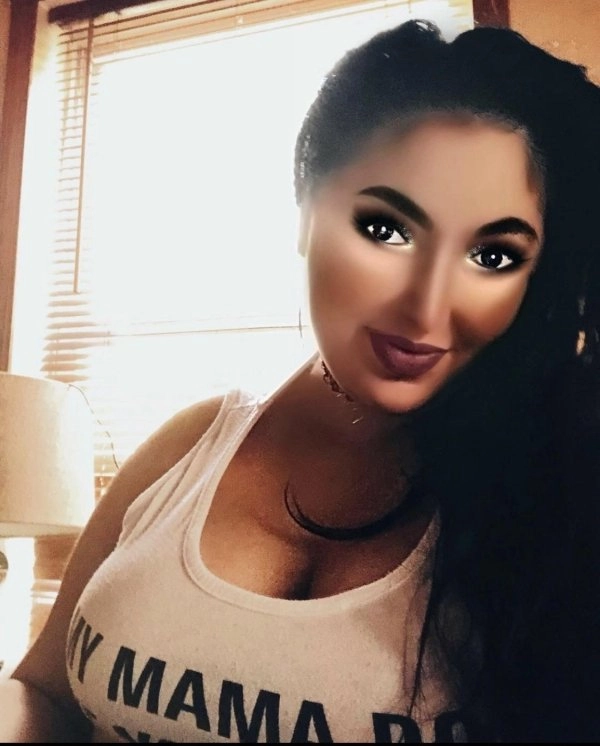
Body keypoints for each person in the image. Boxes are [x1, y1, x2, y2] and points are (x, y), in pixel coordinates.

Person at [2, 16, 599, 744]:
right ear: (307, 212)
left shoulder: (562, 500)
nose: (427, 307)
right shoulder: (190, 447)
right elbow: (43, 690)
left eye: (494, 255)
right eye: (387, 229)